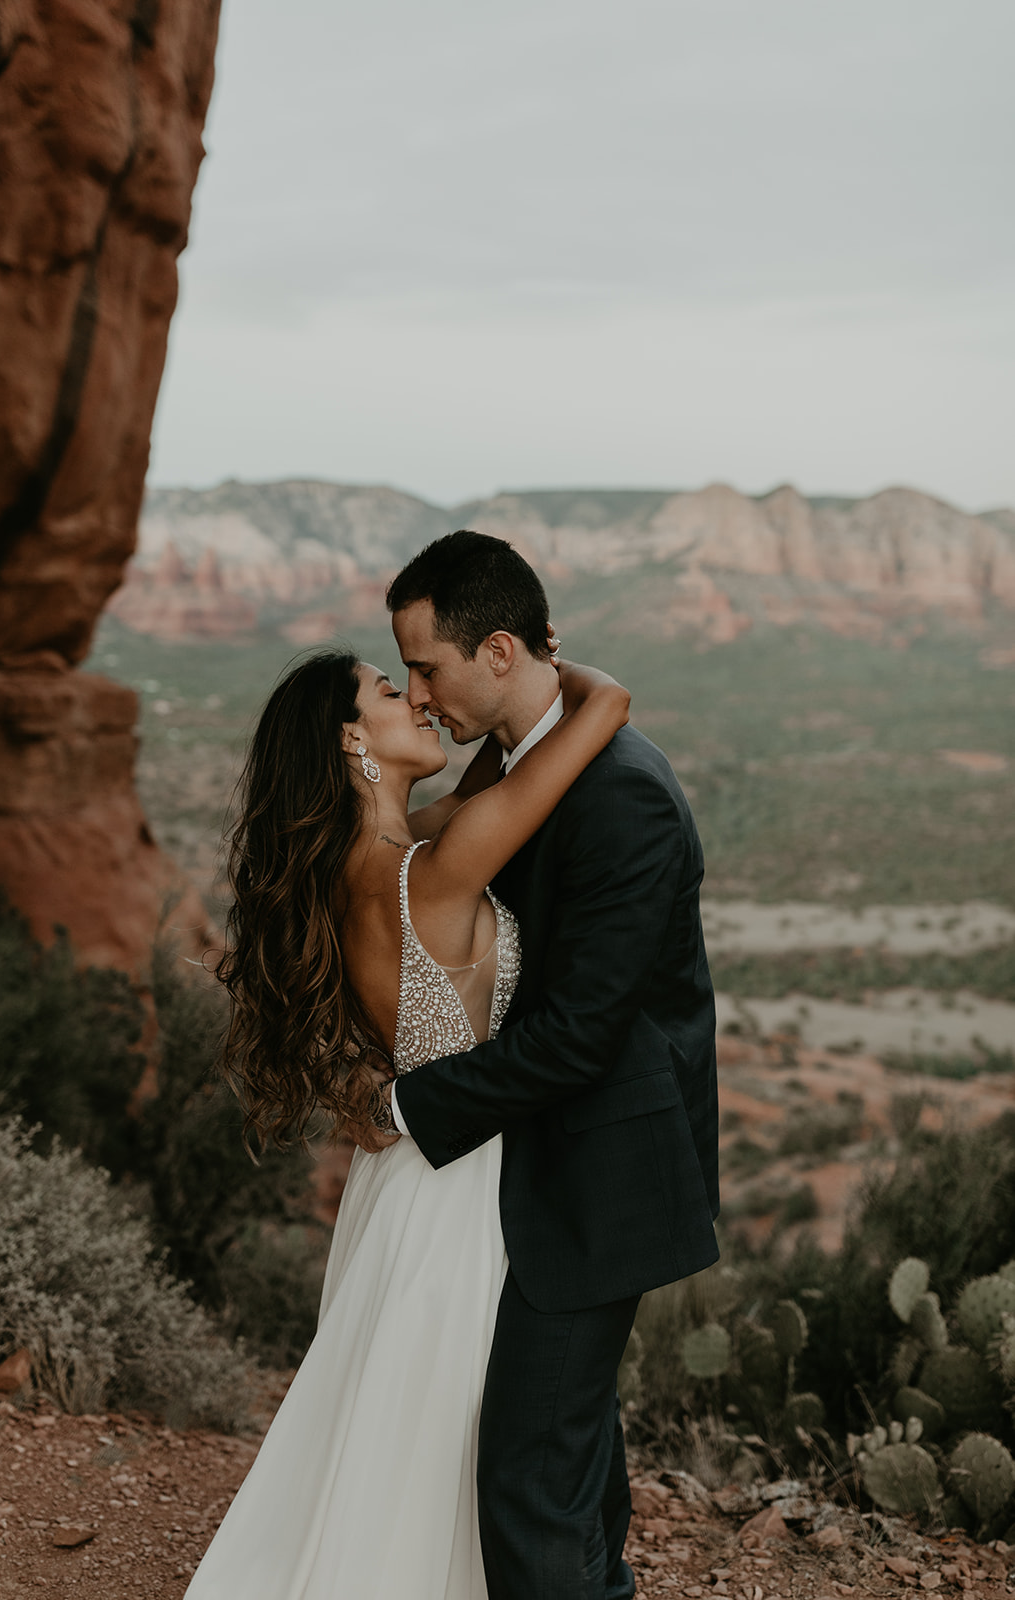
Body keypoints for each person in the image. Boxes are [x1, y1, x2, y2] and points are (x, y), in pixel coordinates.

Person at [183, 635, 631, 1600]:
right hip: (462, 1189)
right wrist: (558, 671)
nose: (419, 700)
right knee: (448, 1433)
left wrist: (503, 702)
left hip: (403, 1174)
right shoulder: (430, 868)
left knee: (394, 1426)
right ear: (353, 740)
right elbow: (606, 709)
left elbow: (488, 780)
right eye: (393, 689)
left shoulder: (365, 859)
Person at [379, 530, 720, 1600]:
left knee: (529, 1479)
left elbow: (580, 1035)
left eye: (425, 666)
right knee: (565, 1470)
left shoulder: (621, 793)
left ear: (492, 651)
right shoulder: (521, 766)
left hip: (594, 1183)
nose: (415, 692)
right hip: (530, 1172)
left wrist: (399, 1106)